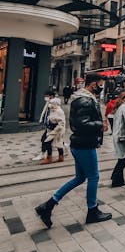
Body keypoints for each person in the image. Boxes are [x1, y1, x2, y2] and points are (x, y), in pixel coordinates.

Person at [35, 73, 112, 228]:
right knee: (94, 177)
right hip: (85, 144)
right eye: (100, 84)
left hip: (79, 144)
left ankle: (48, 205)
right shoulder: (85, 100)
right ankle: (92, 211)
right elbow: (82, 124)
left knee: (79, 178)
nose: (102, 87)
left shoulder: (82, 98)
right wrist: (100, 125)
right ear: (93, 85)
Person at [110, 91, 125, 187]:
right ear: (123, 99)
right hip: (122, 136)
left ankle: (118, 178)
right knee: (124, 157)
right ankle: (115, 178)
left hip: (117, 135)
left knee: (122, 157)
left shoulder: (119, 107)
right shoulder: (124, 107)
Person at [33, 89, 56, 161]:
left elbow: (57, 116)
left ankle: (45, 155)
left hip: (53, 126)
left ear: (51, 96)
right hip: (50, 126)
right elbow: (44, 112)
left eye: (46, 96)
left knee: (45, 140)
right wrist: (42, 119)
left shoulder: (54, 104)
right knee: (54, 140)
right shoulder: (48, 103)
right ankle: (63, 148)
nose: (45, 98)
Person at [41, 98, 66, 164]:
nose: (51, 104)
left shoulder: (59, 111)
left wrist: (55, 131)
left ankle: (49, 158)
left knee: (48, 142)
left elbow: (61, 123)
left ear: (56, 104)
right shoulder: (52, 109)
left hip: (57, 130)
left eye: (52, 103)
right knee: (58, 143)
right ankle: (61, 157)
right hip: (51, 129)